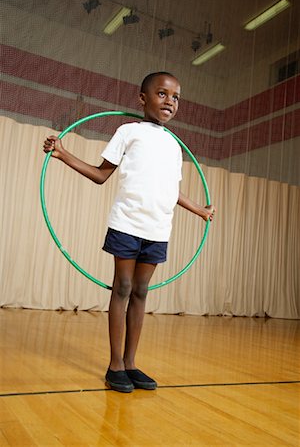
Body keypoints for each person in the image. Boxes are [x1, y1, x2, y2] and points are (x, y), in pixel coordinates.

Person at [43, 71, 216, 393]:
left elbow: (171, 190)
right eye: (162, 94)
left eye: (176, 97)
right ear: (142, 98)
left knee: (141, 293)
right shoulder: (128, 131)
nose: (170, 102)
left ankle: (132, 363)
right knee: (122, 288)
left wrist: (201, 211)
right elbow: (100, 174)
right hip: (127, 223)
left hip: (158, 227)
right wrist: (62, 153)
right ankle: (115, 366)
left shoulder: (174, 145)